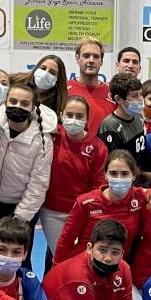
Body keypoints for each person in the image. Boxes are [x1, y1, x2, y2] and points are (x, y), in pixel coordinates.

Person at [0, 78, 54, 259]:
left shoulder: (42, 140)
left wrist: (21, 217)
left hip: (19, 208)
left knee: (17, 260)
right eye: (13, 101)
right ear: (5, 102)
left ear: (33, 107)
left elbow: (39, 183)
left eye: (24, 103)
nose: (17, 107)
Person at [40, 95, 107, 271]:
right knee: (62, 259)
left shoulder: (97, 147)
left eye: (79, 116)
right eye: (69, 115)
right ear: (61, 115)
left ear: (87, 119)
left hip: (82, 213)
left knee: (83, 260)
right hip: (52, 212)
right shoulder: (51, 135)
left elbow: (98, 186)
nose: (74, 120)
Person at [97, 72, 147, 158]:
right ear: (119, 99)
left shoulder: (139, 116)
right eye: (135, 95)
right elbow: (112, 161)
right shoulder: (109, 125)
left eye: (141, 94)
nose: (141, 99)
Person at [28, 54, 70, 122]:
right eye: (43, 68)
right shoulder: (17, 83)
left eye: (52, 73)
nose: (45, 74)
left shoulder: (58, 104)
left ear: (58, 79)